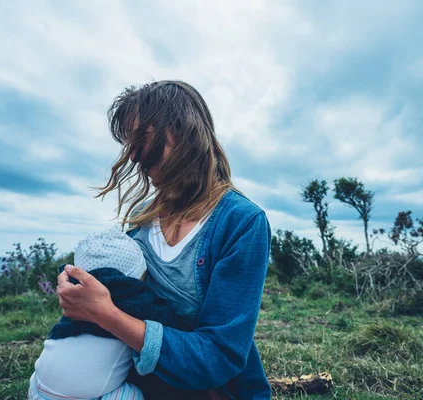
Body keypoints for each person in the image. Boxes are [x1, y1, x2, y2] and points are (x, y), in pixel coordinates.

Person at [56, 80, 273, 399]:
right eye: (130, 143)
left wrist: (105, 313)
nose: (133, 156)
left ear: (184, 129)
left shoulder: (241, 222)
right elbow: (123, 292)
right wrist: (81, 287)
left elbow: (218, 358)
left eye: (142, 137)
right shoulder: (142, 219)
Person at [28, 224, 190, 400]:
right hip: (82, 396)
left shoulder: (76, 300)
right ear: (140, 275)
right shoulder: (137, 303)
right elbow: (170, 325)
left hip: (39, 386)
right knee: (133, 393)